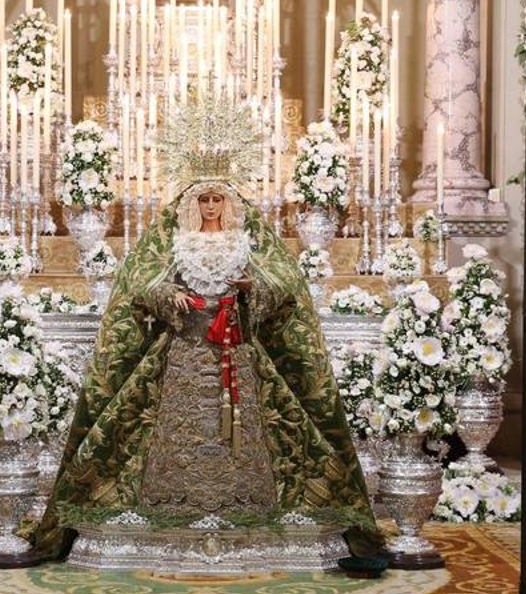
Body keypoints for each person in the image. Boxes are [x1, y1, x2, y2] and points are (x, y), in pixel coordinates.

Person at [30, 166, 380, 561]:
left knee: (243, 424)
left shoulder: (246, 240)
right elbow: (139, 283)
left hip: (236, 346)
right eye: (204, 199)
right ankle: (175, 504)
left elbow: (284, 283)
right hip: (187, 346)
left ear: (228, 204)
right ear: (192, 204)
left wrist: (253, 289)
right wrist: (167, 295)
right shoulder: (176, 241)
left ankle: (243, 504)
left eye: (217, 199)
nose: (211, 206)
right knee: (182, 421)